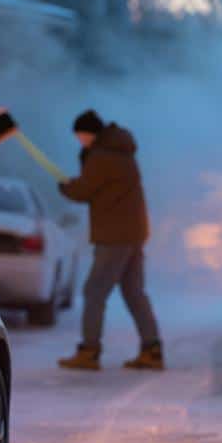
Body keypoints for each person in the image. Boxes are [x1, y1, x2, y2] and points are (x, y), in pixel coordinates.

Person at [55, 110, 163, 371]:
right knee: (134, 292)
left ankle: (89, 351)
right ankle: (152, 350)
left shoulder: (102, 157)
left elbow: (83, 190)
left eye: (80, 135)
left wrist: (66, 186)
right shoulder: (122, 154)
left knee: (94, 291)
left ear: (89, 133)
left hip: (114, 236)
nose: (79, 141)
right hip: (133, 234)